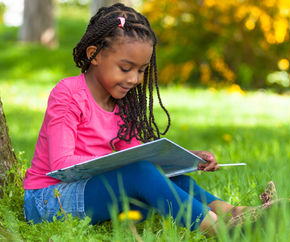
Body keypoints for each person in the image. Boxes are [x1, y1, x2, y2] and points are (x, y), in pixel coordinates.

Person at [23, 3, 276, 235]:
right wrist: (127, 167)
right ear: (94, 54)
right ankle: (221, 231)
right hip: (48, 199)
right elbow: (61, 163)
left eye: (142, 71)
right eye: (125, 68)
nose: (134, 79)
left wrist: (186, 157)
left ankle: (234, 212)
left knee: (169, 178)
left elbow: (134, 156)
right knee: (141, 173)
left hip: (94, 191)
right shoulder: (68, 94)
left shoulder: (123, 103)